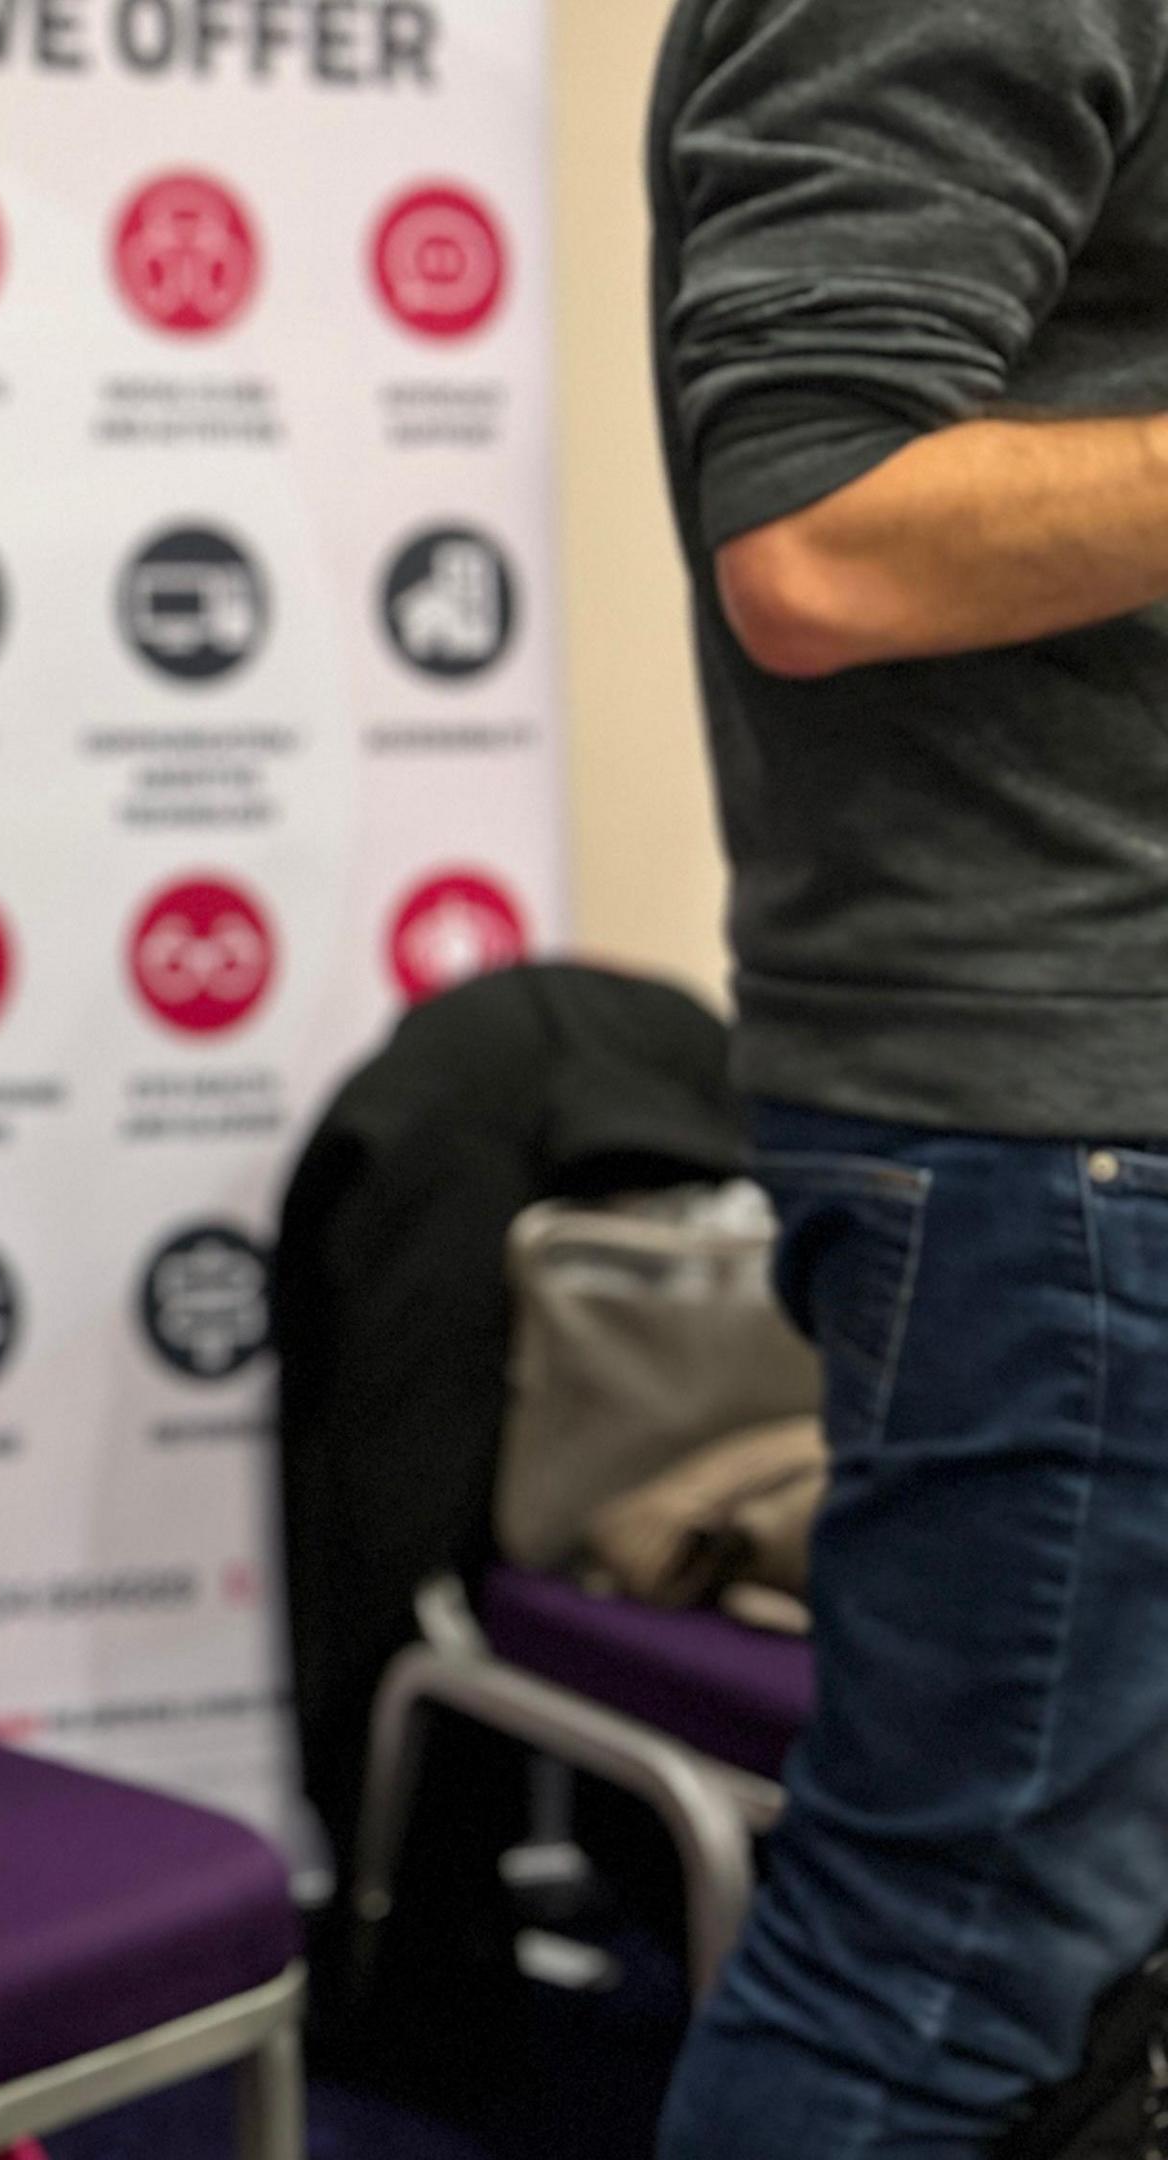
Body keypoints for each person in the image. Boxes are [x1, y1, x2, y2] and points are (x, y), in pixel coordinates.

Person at [645, 5, 1168, 2153]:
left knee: (1063, 1979)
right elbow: (825, 530)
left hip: (1090, 1120)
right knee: (946, 1980)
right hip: (1068, 1127)